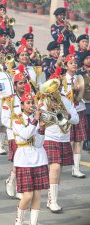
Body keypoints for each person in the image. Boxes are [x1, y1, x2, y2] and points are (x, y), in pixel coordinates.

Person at [41, 67, 79, 213]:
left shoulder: (66, 100)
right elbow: (42, 117)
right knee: (55, 167)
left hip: (64, 137)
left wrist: (67, 115)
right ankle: (53, 201)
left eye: (59, 84)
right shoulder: (44, 100)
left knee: (58, 169)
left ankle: (51, 197)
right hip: (50, 136)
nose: (58, 87)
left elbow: (75, 119)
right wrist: (56, 114)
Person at [12, 91, 49, 225]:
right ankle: (19, 221)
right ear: (22, 105)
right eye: (28, 103)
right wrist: (36, 122)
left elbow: (39, 143)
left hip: (39, 158)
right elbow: (26, 135)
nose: (31, 105)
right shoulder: (17, 120)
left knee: (37, 195)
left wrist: (41, 128)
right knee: (27, 195)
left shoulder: (36, 119)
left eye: (32, 102)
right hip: (24, 159)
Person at [62, 46, 87, 178]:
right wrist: (72, 90)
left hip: (80, 110)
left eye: (75, 63)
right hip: (69, 112)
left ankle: (75, 168)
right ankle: (63, 164)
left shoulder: (81, 78)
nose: (74, 65)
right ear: (66, 65)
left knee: (79, 140)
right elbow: (60, 97)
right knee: (69, 140)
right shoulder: (62, 79)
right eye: (71, 63)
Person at [2, 66, 26, 199]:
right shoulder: (9, 100)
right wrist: (17, 126)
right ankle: (15, 184)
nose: (23, 85)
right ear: (15, 85)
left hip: (28, 134)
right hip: (14, 135)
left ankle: (13, 182)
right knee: (18, 162)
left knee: (23, 162)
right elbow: (4, 119)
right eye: (20, 83)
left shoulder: (31, 98)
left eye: (24, 83)